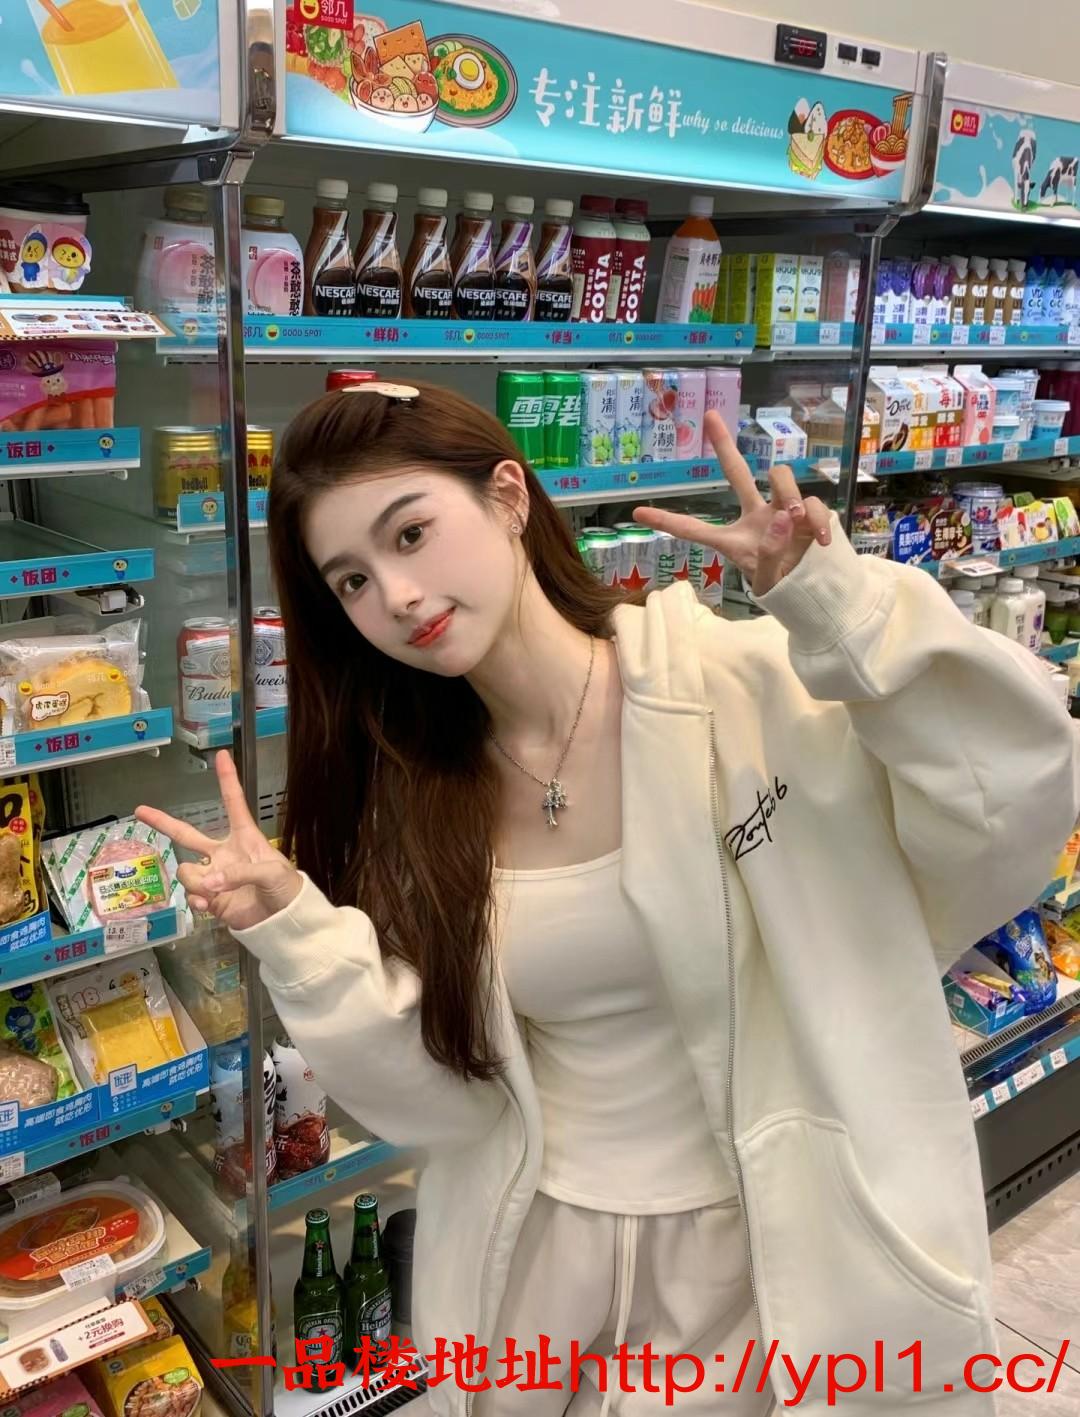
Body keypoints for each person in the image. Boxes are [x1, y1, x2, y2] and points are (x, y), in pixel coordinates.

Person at [140, 382, 1079, 1417]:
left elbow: (1011, 812)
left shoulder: (740, 685)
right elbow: (443, 1098)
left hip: (770, 1257)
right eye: (353, 580)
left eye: (411, 533)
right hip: (537, 1266)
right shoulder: (416, 797)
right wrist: (295, 928)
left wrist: (846, 613)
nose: (397, 595)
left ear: (508, 496)